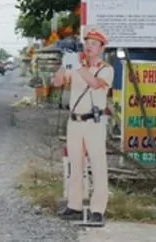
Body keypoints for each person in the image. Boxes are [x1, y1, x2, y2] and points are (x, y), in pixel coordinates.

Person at [52, 27, 114, 226]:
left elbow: (95, 84)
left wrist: (77, 66)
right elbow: (57, 82)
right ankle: (74, 205)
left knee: (97, 165)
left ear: (102, 48)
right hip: (75, 122)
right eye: (87, 43)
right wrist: (64, 65)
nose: (89, 46)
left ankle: (98, 209)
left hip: (94, 122)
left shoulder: (106, 69)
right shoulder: (77, 66)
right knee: (75, 165)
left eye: (94, 44)